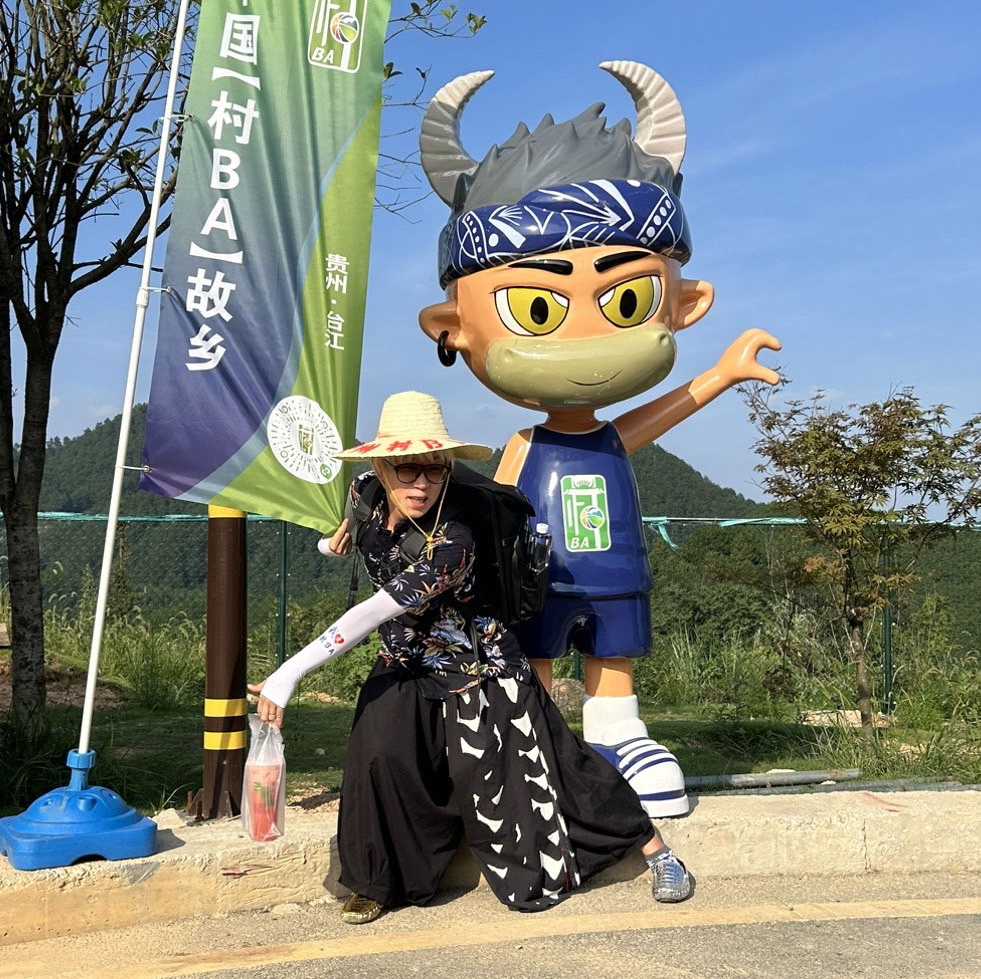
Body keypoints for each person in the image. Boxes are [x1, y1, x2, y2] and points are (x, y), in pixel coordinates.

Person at [416, 61, 781, 817]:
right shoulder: (523, 444)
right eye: (538, 310)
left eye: (626, 299)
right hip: (539, 577)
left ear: (686, 304)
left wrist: (720, 374)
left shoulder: (609, 439)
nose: (586, 344)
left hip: (615, 574)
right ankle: (537, 739)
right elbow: (486, 500)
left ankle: (619, 735)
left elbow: (651, 421)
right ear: (451, 329)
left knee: (614, 656)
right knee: (538, 656)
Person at [250, 391, 692, 924]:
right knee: (378, 758)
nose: (421, 484)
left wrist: (289, 672)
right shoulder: (364, 491)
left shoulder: (454, 542)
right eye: (407, 469)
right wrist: (334, 541)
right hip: (406, 658)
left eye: (435, 470)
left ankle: (657, 851)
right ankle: (376, 883)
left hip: (480, 668)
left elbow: (373, 610)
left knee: (555, 770)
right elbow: (353, 534)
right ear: (381, 466)